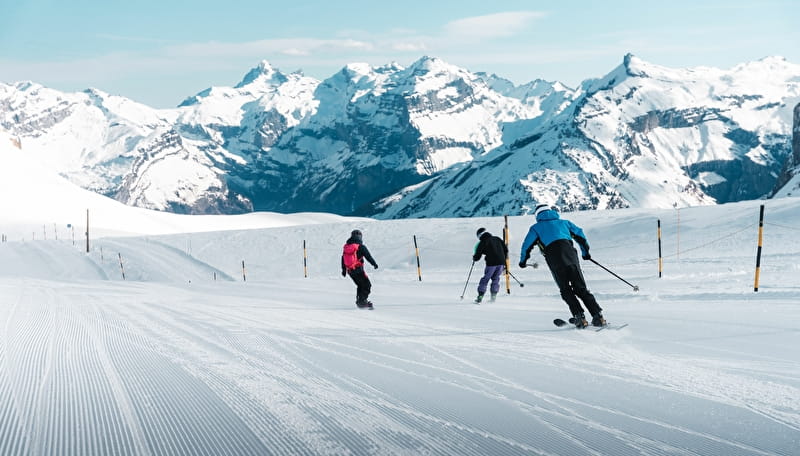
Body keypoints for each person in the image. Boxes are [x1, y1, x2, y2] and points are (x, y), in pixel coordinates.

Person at [518, 204, 606, 328]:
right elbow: (581, 236)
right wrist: (585, 253)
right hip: (571, 257)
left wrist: (523, 262)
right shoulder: (565, 223)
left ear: (537, 215)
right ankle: (598, 317)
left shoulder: (535, 228)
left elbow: (526, 246)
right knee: (581, 288)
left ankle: (579, 317)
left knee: (565, 290)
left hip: (554, 260)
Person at [341, 229, 379, 309]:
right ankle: (362, 302)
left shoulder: (347, 247)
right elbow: (368, 256)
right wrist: (374, 264)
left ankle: (360, 301)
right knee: (367, 285)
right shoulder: (361, 247)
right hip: (358, 270)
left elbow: (343, 258)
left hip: (350, 271)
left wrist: (344, 270)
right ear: (360, 237)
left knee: (360, 285)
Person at [472, 227, 508, 303]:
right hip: (501, 263)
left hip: (491, 263)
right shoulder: (497, 239)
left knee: (485, 279)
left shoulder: (483, 241)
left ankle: (480, 296)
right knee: (496, 279)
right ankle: (493, 297)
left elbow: (478, 254)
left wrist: (475, 258)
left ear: (480, 235)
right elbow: (506, 250)